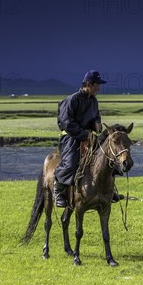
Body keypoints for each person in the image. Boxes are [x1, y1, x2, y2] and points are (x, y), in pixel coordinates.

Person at [53, 70, 106, 208]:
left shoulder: (93, 101)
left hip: (88, 136)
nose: (99, 88)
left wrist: (97, 125)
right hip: (70, 137)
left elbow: (96, 118)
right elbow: (66, 122)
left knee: (107, 158)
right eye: (97, 85)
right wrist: (84, 135)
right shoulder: (72, 99)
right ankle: (58, 189)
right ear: (89, 84)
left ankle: (107, 191)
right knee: (70, 163)